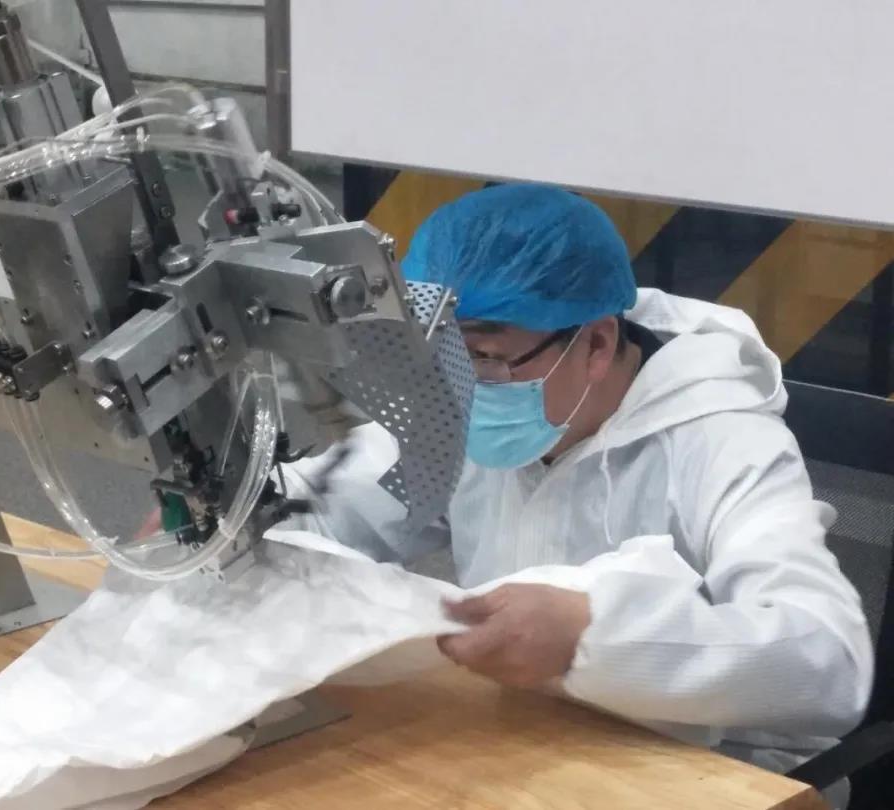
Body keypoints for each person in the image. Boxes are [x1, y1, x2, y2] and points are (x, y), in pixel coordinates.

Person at [280, 183, 873, 796]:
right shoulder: (460, 399)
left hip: (725, 776)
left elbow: (830, 661)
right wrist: (245, 512)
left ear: (596, 344)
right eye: (439, 354)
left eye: (484, 356)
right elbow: (327, 504)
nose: (460, 386)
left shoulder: (721, 440)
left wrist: (595, 636)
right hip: (536, 741)